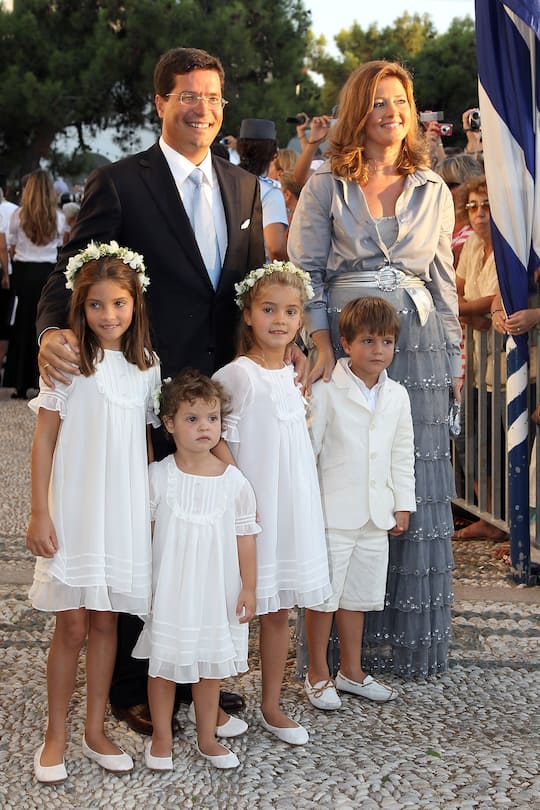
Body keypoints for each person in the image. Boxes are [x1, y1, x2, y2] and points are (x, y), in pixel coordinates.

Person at [35, 46, 267, 735]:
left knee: (202, 534)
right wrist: (50, 330)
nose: (203, 109)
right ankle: (133, 685)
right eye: (188, 95)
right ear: (160, 103)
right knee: (145, 534)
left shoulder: (244, 186)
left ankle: (197, 672)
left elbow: (249, 286)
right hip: (143, 389)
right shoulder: (119, 182)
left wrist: (289, 349)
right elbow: (72, 271)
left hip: (213, 401)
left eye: (214, 97)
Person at [288, 60, 461, 678]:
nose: (392, 113)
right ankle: (332, 651)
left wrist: (455, 358)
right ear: (358, 112)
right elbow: (304, 270)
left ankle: (402, 641)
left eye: (401, 102)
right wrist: (319, 342)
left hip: (419, 348)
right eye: (379, 102)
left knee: (410, 476)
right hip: (343, 341)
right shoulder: (326, 184)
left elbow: (442, 280)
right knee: (343, 472)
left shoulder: (434, 187)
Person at [27, 243, 161, 784]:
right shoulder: (67, 362)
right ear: (80, 307)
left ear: (136, 304)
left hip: (122, 508)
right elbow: (44, 439)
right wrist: (40, 512)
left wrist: (148, 514)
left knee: (108, 622)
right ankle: (55, 735)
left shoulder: (147, 365)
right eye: (96, 305)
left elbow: (145, 446)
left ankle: (94, 729)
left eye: (119, 303)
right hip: (76, 505)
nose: (108, 315)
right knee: (72, 623)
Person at [213, 261, 331, 743]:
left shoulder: (293, 374)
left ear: (301, 318)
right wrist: (238, 488)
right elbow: (213, 434)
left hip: (290, 505)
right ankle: (209, 701)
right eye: (268, 309)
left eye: (290, 311)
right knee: (229, 603)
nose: (280, 320)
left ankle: (271, 705)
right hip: (252, 509)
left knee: (278, 607)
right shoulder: (237, 375)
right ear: (248, 314)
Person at [132, 371, 259, 770]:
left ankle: (207, 738)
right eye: (192, 418)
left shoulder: (234, 482)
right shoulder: (157, 477)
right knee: (163, 665)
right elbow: (147, 536)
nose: (205, 427)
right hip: (171, 590)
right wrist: (144, 585)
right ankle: (162, 737)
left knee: (209, 668)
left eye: (212, 418)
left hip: (215, 592)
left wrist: (249, 587)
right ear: (169, 423)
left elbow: (245, 537)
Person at [303, 297, 415, 710]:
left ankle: (351, 670)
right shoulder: (326, 390)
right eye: (368, 341)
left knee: (359, 596)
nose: (378, 350)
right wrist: (306, 508)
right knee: (324, 597)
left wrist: (402, 503)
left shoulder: (397, 395)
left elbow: (402, 452)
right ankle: (317, 673)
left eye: (386, 342)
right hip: (332, 513)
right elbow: (310, 452)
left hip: (375, 514)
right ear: (346, 343)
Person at [4, 170, 65, 398]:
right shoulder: (58, 217)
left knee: (22, 324)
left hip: (23, 272)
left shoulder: (18, 215)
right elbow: (59, 244)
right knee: (45, 325)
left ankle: (20, 383)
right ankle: (43, 382)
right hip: (47, 273)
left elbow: (11, 246)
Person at [237, 118, 288, 261]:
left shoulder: (222, 180)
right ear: (273, 154)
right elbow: (276, 248)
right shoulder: (270, 192)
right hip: (255, 271)